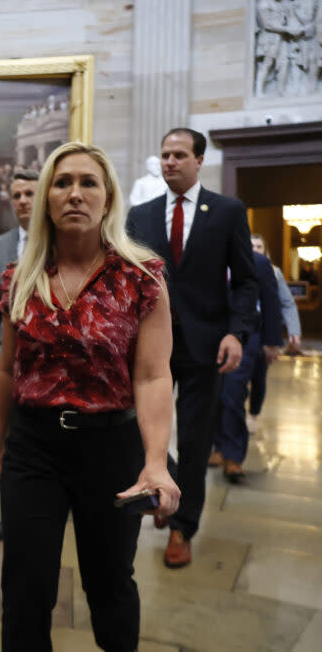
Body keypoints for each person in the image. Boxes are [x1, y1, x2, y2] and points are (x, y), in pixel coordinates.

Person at [0, 142, 180, 651]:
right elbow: (8, 372)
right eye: (62, 182)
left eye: (88, 183)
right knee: (26, 588)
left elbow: (152, 377)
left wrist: (157, 462)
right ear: (48, 199)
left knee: (110, 583)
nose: (74, 193)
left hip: (111, 447)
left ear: (108, 198)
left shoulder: (141, 278)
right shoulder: (21, 279)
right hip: (33, 449)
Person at [126, 128, 257, 568]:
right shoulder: (139, 216)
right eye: (164, 155)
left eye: (179, 155)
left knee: (197, 440)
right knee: (144, 431)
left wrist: (236, 333)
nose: (170, 162)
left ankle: (183, 527)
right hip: (150, 347)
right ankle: (167, 488)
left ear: (199, 161)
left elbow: (244, 280)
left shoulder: (226, 212)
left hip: (205, 345)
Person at [0, 168, 38, 544]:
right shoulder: (0, 248)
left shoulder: (64, 243)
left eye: (29, 193)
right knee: (8, 442)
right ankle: (11, 514)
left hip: (50, 367)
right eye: (16, 195)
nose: (22, 201)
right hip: (8, 363)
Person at [213, 243, 283, 482]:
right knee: (214, 395)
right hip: (211, 336)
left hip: (247, 337)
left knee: (233, 395)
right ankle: (219, 447)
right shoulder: (209, 256)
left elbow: (271, 302)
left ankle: (233, 458)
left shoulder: (260, 263)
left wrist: (272, 341)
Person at [247, 234, 301, 429]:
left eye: (259, 246)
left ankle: (253, 414)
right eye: (250, 245)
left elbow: (287, 304)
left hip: (264, 332)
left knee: (258, 377)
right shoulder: (237, 266)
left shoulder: (274, 272)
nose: (254, 249)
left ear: (265, 251)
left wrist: (294, 331)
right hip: (242, 331)